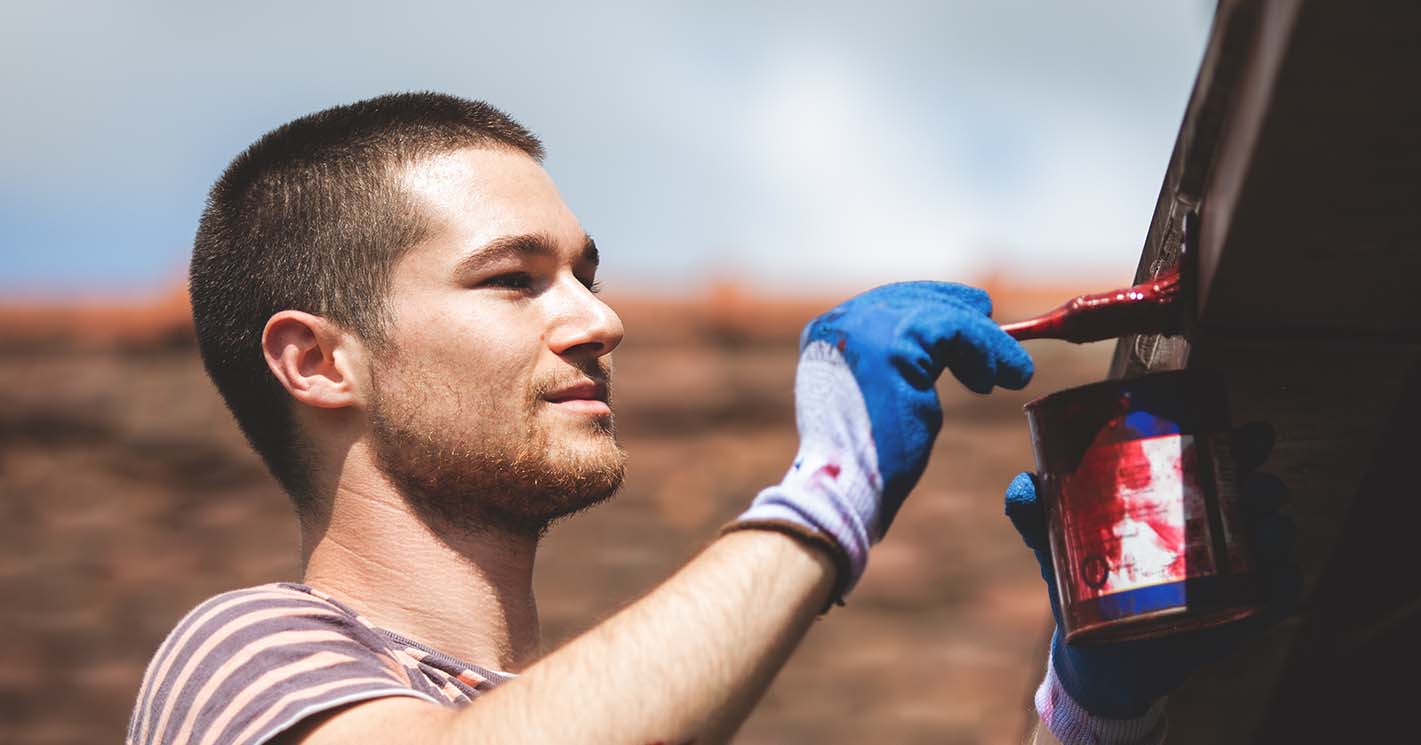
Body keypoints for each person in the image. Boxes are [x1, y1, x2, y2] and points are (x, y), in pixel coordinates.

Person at [128, 92, 1293, 745]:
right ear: (316, 361)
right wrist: (829, 487)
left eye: (587, 271)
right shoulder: (237, 661)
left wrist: (1090, 718)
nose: (599, 319)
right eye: (512, 279)